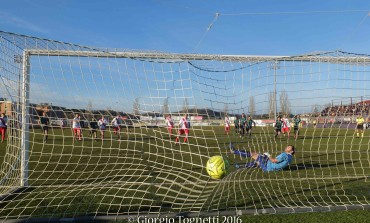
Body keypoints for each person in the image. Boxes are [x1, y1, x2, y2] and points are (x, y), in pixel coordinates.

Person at [229, 143, 296, 172]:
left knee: (254, 154)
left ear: (291, 151)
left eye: (289, 147)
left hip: (268, 165)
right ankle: (240, 166)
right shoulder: (290, 158)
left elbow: (274, 160)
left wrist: (268, 155)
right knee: (257, 162)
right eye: (287, 146)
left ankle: (234, 151)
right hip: (270, 168)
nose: (286, 147)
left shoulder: (284, 155)